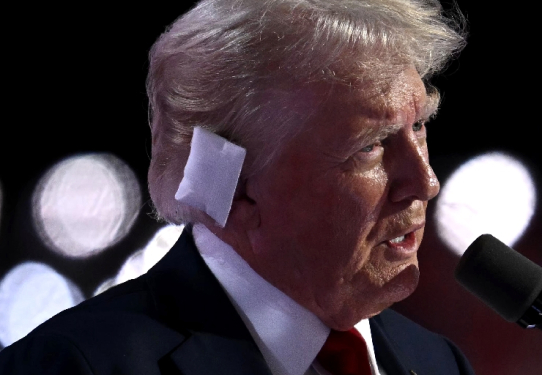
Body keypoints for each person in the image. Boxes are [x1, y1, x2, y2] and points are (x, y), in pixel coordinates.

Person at [0, 0, 471, 374]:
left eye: (420, 127)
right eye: (370, 147)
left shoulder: (438, 362)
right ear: (238, 184)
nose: (424, 183)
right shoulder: (76, 364)